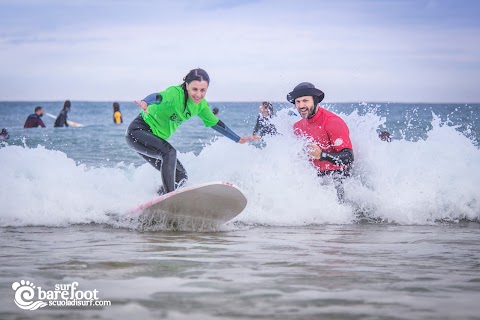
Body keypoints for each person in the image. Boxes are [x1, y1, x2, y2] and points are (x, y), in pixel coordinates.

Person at [126, 68, 259, 195]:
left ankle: (158, 198)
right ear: (187, 85)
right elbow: (158, 97)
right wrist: (145, 102)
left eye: (203, 90)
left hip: (152, 139)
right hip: (138, 132)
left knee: (180, 176)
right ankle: (170, 198)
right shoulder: (175, 94)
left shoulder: (201, 105)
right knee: (169, 153)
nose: (198, 94)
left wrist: (238, 139)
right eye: (195, 89)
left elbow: (216, 124)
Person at [287, 82, 354, 201]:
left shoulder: (332, 122)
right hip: (315, 178)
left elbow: (348, 157)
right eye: (298, 102)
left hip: (337, 177)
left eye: (305, 100)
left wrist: (322, 155)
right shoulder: (298, 127)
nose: (301, 105)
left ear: (315, 100)